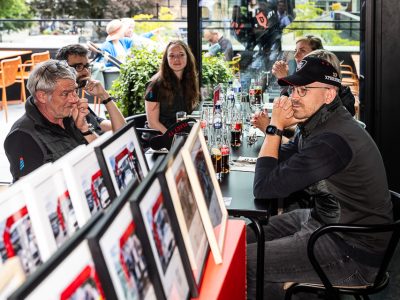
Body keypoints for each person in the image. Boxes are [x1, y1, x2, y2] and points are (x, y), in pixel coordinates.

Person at [247, 56, 392, 299]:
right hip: (326, 222)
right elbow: (281, 158)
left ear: (328, 95)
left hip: (352, 251)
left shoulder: (332, 140)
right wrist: (277, 129)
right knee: (240, 238)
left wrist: (274, 127)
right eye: (293, 89)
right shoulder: (320, 124)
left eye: (303, 90)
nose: (293, 96)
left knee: (244, 263)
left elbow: (264, 187)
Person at [4, 60, 96, 182]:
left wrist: (85, 128)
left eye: (75, 91)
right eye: (65, 94)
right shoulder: (23, 136)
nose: (75, 99)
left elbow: (103, 155)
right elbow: (33, 192)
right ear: (42, 96)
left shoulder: (73, 113)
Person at [55, 44, 126, 134]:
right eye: (78, 67)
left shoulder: (78, 101)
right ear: (62, 69)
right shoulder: (62, 106)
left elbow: (121, 129)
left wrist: (104, 95)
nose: (86, 72)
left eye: (86, 66)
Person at [144, 40, 200, 133]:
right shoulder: (155, 85)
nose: (176, 59)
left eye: (181, 55)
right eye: (172, 55)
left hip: (181, 133)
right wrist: (172, 138)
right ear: (166, 59)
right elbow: (152, 123)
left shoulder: (189, 80)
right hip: (162, 136)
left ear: (188, 57)